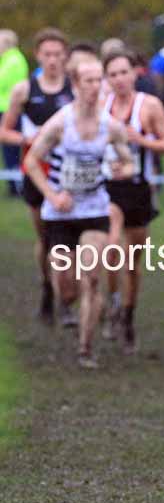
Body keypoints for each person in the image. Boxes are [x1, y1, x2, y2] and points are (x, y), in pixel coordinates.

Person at [24, 56, 134, 368]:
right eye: (88, 80)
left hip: (94, 209)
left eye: (99, 80)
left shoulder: (111, 127)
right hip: (60, 213)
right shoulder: (60, 123)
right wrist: (53, 195)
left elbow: (128, 162)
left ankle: (86, 347)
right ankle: (61, 300)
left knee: (92, 278)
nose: (95, 86)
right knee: (68, 287)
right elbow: (32, 161)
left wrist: (120, 169)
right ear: (75, 85)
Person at [0, 27, 72, 323]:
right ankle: (47, 286)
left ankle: (67, 300)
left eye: (58, 54)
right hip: (35, 171)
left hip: (68, 174)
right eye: (47, 54)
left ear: (65, 57)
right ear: (38, 56)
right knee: (45, 238)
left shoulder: (74, 88)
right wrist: (28, 141)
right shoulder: (25, 90)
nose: (53, 60)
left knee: (68, 240)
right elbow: (4, 130)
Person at [102, 49, 164, 352]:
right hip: (105, 188)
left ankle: (127, 315)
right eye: (112, 74)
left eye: (123, 72)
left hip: (139, 189)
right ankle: (113, 301)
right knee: (112, 246)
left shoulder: (149, 106)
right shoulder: (100, 105)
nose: (118, 79)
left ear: (134, 74)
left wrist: (138, 139)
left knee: (132, 262)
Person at [0, 29, 29, 196]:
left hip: (9, 110)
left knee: (11, 149)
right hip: (4, 108)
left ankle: (16, 185)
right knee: (8, 150)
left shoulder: (14, 60)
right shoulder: (7, 59)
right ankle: (13, 184)